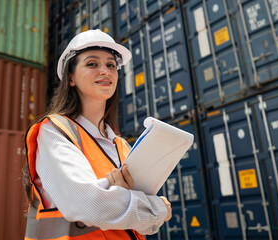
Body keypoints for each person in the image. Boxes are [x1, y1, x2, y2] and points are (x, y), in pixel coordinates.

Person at [23, 29, 172, 240]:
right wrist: (158, 208)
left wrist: (123, 199)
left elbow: (147, 227)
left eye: (111, 65)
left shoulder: (121, 145)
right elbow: (88, 204)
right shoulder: (54, 132)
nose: (105, 71)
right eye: (92, 64)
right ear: (71, 77)